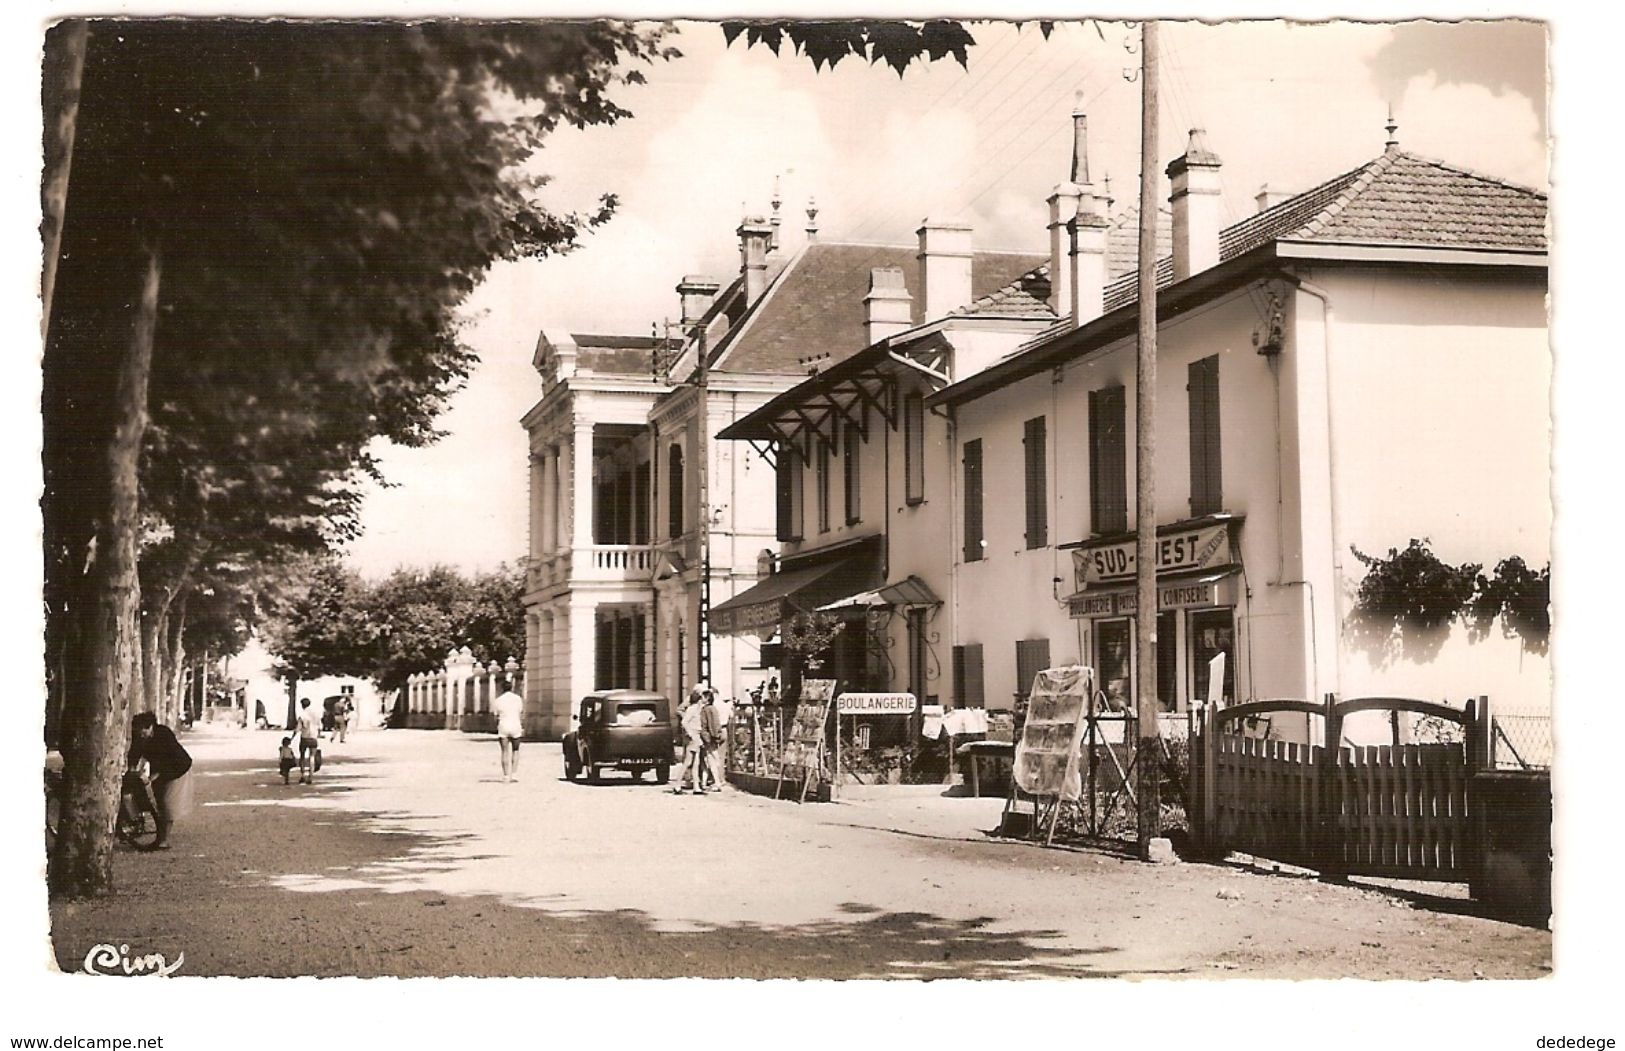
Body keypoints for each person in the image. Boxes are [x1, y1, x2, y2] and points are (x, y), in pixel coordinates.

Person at [127, 712, 193, 851]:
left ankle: (164, 840)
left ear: (151, 727)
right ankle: (160, 834)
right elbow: (135, 752)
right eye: (138, 732)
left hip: (177, 769)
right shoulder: (138, 734)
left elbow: (169, 759)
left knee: (168, 804)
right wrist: (132, 769)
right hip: (159, 769)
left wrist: (153, 776)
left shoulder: (164, 734)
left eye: (144, 731)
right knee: (158, 803)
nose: (141, 735)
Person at [674, 686, 708, 796]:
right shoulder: (693, 709)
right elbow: (684, 722)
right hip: (693, 736)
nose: (706, 698)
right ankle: (678, 784)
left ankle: (696, 787)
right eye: (704, 696)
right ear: (699, 697)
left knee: (695, 763)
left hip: (696, 736)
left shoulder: (698, 708)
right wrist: (691, 735)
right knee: (688, 762)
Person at [492, 676, 525, 783]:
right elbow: (521, 713)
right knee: (516, 750)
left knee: (504, 751)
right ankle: (514, 774)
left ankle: (506, 775)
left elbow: (495, 716)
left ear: (502, 688)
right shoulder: (518, 699)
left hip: (503, 726)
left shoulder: (498, 700)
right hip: (516, 725)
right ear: (512, 688)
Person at [700, 690, 725, 792]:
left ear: (707, 698)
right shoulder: (711, 709)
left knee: (712, 760)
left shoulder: (708, 710)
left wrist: (713, 737)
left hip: (709, 739)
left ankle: (717, 782)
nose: (701, 699)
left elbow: (712, 724)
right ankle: (705, 782)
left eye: (703, 697)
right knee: (708, 760)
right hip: (709, 738)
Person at [294, 697, 323, 784]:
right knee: (312, 756)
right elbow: (320, 726)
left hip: (304, 737)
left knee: (302, 756)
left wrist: (293, 736)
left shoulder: (302, 715)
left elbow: (298, 728)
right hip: (313, 737)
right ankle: (311, 776)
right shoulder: (316, 714)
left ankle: (302, 775)